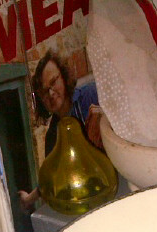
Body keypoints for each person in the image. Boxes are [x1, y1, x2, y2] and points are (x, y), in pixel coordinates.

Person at [18, 51, 101, 212]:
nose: (50, 93)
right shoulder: (52, 136)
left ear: (63, 77)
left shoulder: (91, 95)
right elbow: (52, 178)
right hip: (88, 203)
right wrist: (29, 199)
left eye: (53, 82)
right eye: (44, 91)